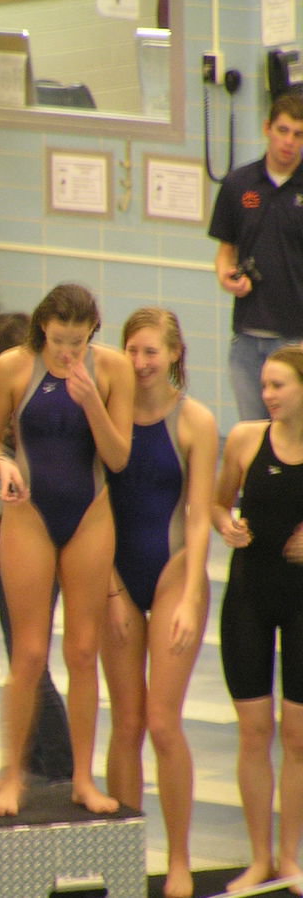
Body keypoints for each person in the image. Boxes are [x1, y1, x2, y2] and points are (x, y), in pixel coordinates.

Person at [0, 283, 133, 817]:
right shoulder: (13, 367)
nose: (69, 352)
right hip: (29, 515)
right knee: (28, 655)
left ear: (93, 331)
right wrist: (1, 464)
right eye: (60, 340)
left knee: (83, 651)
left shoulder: (112, 371)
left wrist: (91, 401)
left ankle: (83, 780)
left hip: (90, 516)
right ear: (44, 326)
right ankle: (10, 776)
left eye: (79, 341)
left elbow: (117, 457)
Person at [102, 308, 216, 898]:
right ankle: (124, 857)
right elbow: (93, 507)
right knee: (124, 724)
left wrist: (193, 595)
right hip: (115, 575)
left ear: (174, 353)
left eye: (151, 351)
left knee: (162, 723)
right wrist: (111, 592)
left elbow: (198, 519)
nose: (141, 363)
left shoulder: (195, 421)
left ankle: (177, 859)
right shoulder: (107, 413)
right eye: (132, 351)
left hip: (173, 572)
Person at [0, 311, 73, 786]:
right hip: (33, 533)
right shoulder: (40, 404)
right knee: (30, 659)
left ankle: (57, 763)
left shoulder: (29, 391)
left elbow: (27, 480)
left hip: (26, 538)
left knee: (28, 661)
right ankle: (39, 759)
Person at [212, 345, 303, 894]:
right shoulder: (247, 439)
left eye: (278, 386)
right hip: (248, 595)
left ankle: (289, 855)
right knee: (254, 731)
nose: (266, 395)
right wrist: (225, 524)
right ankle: (259, 857)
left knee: (296, 735)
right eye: (264, 385)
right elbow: (219, 502)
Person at [208, 93, 303, 421]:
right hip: (248, 336)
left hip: (295, 338)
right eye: (283, 130)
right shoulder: (238, 184)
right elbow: (225, 252)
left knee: (293, 435)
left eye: (298, 134)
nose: (289, 141)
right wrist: (225, 276)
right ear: (267, 129)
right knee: (253, 433)